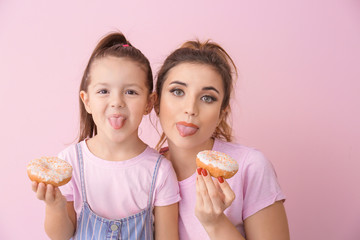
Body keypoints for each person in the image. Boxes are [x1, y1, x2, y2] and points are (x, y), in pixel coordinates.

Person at [31, 32, 180, 240]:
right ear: (87, 101)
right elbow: (61, 235)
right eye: (103, 91)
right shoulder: (69, 162)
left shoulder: (160, 172)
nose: (116, 102)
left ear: (149, 102)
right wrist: (54, 206)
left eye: (130, 92)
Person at [154, 40, 290, 240]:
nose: (190, 108)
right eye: (177, 91)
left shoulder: (250, 167)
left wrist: (215, 223)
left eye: (207, 98)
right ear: (156, 102)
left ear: (221, 114)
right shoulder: (147, 172)